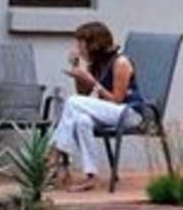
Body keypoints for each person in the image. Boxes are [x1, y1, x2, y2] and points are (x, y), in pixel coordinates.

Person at [51, 21, 144, 191]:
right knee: (81, 120)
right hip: (111, 113)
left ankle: (56, 155)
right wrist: (77, 69)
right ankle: (91, 176)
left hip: (129, 113)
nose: (78, 49)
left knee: (72, 101)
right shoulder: (98, 64)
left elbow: (117, 100)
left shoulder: (121, 62)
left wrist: (93, 82)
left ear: (93, 45)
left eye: (80, 44)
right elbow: (83, 96)